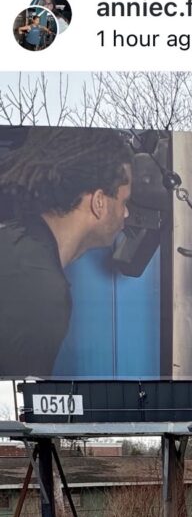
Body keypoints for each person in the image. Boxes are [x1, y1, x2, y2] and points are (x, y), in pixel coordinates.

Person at [0, 128, 133, 377]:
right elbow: (15, 408)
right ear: (99, 202)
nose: (126, 214)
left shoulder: (14, 239)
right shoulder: (42, 293)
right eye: (124, 202)